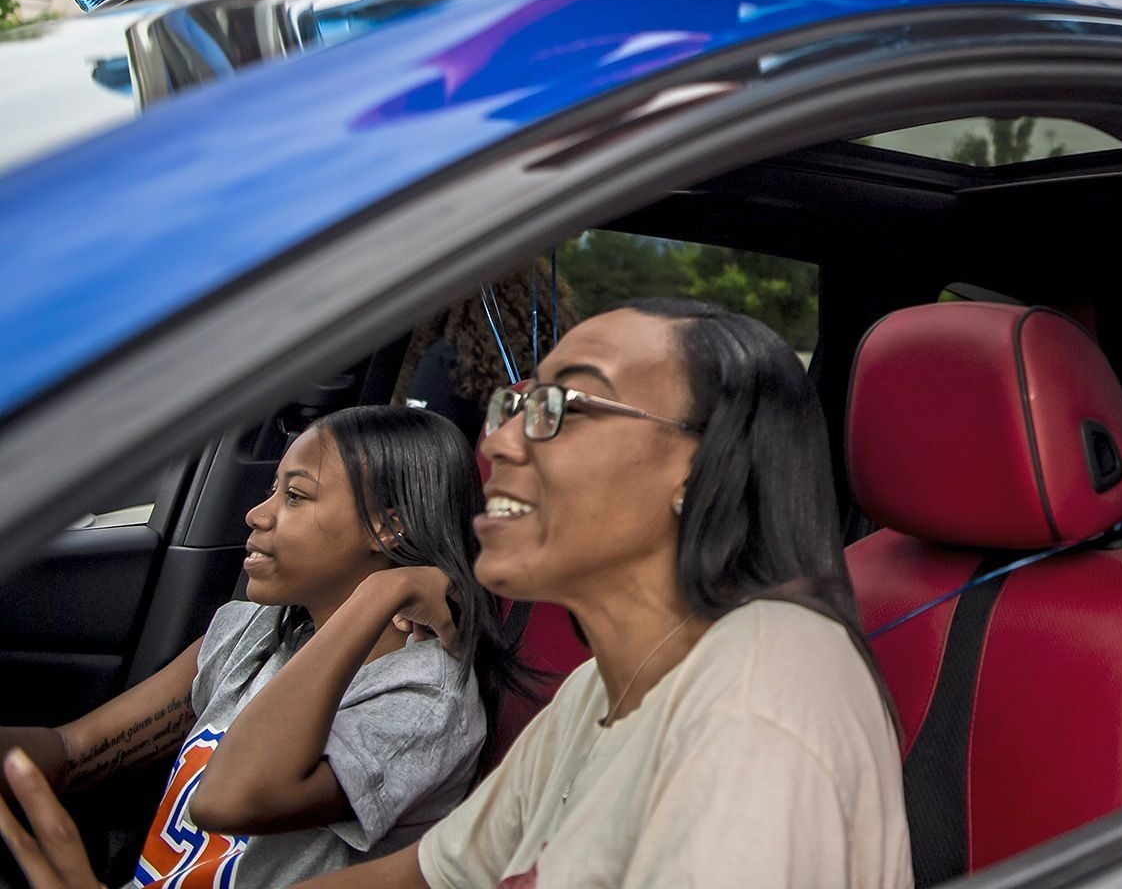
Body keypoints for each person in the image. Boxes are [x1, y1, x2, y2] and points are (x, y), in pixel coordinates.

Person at [191, 298, 902, 888]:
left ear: (702, 469)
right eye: (515, 405)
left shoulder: (756, 718)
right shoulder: (603, 688)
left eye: (561, 407)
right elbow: (426, 875)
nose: (497, 441)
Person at [1, 407, 503, 888]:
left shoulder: (424, 704)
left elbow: (230, 800)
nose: (256, 515)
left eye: (296, 496)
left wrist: (381, 592)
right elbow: (74, 751)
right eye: (272, 490)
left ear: (387, 528)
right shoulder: (255, 632)